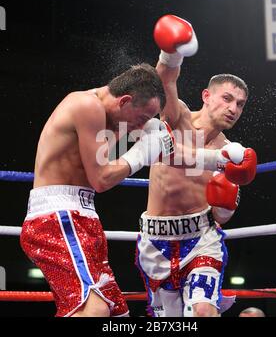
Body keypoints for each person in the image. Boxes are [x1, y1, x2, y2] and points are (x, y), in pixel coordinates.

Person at [20, 63, 176, 317]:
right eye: (142, 118)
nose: (139, 128)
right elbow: (101, 180)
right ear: (125, 100)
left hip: (84, 218)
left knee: (117, 315)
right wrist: (141, 152)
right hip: (56, 217)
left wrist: (219, 160)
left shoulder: (115, 117)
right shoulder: (86, 106)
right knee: (94, 310)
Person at [135, 15, 257, 317]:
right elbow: (164, 82)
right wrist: (171, 52)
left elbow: (221, 217)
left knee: (203, 311)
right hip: (156, 240)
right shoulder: (179, 120)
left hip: (201, 240)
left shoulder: (231, 152)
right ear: (207, 96)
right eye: (227, 98)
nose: (233, 108)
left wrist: (226, 206)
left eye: (240, 104)